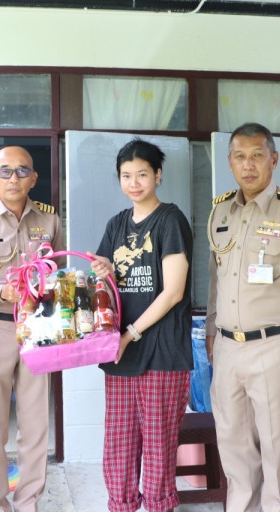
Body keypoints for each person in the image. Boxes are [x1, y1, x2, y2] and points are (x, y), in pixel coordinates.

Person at [205, 122, 280, 512]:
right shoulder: (221, 210)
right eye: (240, 156)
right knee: (234, 448)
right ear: (229, 162)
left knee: (278, 450)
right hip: (228, 348)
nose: (248, 165)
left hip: (276, 347)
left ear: (273, 159)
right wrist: (211, 332)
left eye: (257, 155)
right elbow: (215, 279)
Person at [0, 145, 65, 512]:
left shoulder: (49, 220)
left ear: (34, 178)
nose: (13, 178)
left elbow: (60, 272)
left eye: (22, 171)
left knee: (35, 427)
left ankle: (28, 502)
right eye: (5, 171)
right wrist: (1, 292)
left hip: (38, 330)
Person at [89, 138, 193, 512]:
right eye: (126, 175)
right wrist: (103, 271)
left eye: (142, 174)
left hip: (160, 350)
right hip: (120, 352)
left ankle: (159, 506)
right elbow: (108, 284)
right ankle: (121, 505)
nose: (134, 183)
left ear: (158, 175)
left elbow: (173, 292)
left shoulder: (171, 220)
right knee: (118, 443)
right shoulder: (116, 223)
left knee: (158, 444)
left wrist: (129, 335)